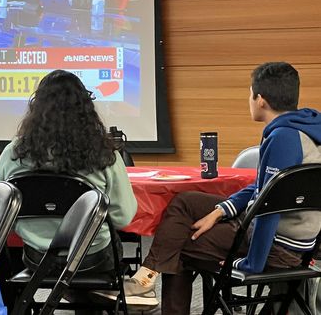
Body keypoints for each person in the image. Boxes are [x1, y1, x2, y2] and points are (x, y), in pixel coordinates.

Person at [124, 62, 321, 313]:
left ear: (260, 100)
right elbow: (266, 189)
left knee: (179, 246)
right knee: (186, 201)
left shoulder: (283, 138)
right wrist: (220, 211)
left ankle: (145, 285)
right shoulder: (305, 130)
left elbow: (269, 211)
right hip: (295, 237)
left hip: (278, 247)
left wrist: (253, 264)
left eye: (249, 94)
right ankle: (146, 277)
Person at [0, 70, 137, 280]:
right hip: (92, 257)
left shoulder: (14, 152)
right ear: (86, 108)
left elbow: (2, 209)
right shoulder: (104, 154)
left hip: (36, 256)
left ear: (37, 107)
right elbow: (122, 216)